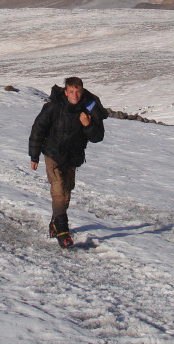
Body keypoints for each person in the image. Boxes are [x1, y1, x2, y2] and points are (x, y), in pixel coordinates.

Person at [29, 76, 108, 247]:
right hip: (53, 154)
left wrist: (87, 125)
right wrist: (34, 155)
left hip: (72, 157)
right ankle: (63, 231)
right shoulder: (53, 107)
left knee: (65, 194)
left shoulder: (87, 109)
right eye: (71, 92)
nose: (75, 95)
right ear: (65, 92)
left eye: (77, 92)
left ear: (82, 91)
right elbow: (38, 129)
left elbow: (98, 137)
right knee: (57, 189)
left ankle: (54, 222)